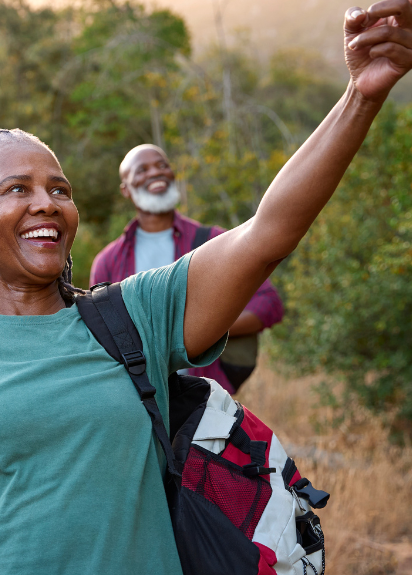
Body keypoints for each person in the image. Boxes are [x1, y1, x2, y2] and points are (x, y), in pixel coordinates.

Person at [0, 0, 412, 575]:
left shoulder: (133, 317)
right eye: (17, 189)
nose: (47, 203)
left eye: (60, 188)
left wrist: (362, 95)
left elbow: (268, 232)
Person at [89, 144, 283, 392]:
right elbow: (101, 336)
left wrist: (202, 329)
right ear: (125, 189)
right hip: (138, 399)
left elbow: (269, 303)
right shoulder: (108, 261)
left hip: (205, 397)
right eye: (142, 169)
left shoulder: (213, 241)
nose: (155, 173)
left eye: (162, 165)